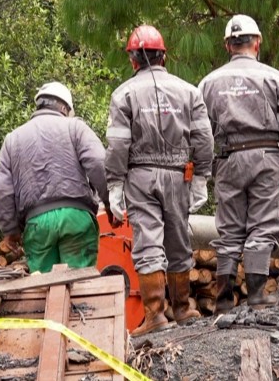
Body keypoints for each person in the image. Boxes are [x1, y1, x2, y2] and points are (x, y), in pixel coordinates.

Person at [106, 25, 213, 334]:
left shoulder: (123, 94)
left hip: (140, 176)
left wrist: (115, 184)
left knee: (148, 242)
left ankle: (155, 316)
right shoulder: (189, 92)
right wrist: (201, 177)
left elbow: (118, 144)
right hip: (178, 175)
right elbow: (204, 139)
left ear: (133, 60)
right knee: (178, 239)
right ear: (163, 57)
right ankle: (182, 309)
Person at [198, 15, 279, 313]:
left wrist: (208, 169)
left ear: (227, 45)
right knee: (264, 225)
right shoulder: (274, 79)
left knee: (229, 229)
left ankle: (222, 300)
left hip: (228, 159)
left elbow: (199, 134)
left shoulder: (208, 83)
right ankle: (256, 295)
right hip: (268, 158)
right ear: (257, 43)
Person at [0, 82, 110, 274]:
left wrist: (11, 232)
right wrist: (109, 202)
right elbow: (98, 163)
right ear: (64, 108)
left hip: (37, 224)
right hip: (76, 218)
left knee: (43, 285)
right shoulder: (75, 127)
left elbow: (3, 192)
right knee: (79, 283)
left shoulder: (12, 139)